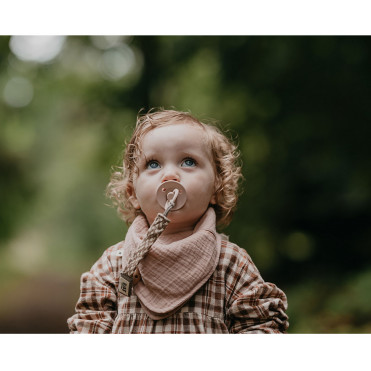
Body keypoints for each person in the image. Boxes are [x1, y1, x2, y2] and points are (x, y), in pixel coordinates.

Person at [67, 109, 289, 333]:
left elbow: (261, 327)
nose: (170, 175)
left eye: (188, 162)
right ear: (132, 192)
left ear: (216, 187)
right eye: (153, 164)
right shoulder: (114, 266)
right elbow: (89, 328)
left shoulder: (231, 265)